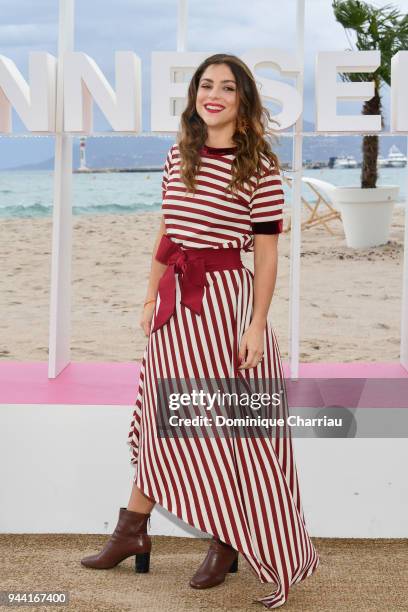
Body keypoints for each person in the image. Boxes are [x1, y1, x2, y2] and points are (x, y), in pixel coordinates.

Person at [81, 53, 320, 609]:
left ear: (243, 100)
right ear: (194, 94)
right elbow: (168, 234)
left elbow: (266, 254)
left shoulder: (258, 164)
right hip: (175, 307)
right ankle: (133, 527)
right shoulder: (178, 154)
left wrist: (256, 325)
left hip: (224, 307)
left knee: (226, 426)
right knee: (166, 418)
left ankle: (226, 540)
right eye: (206, 85)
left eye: (227, 87)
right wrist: (148, 295)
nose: (214, 94)